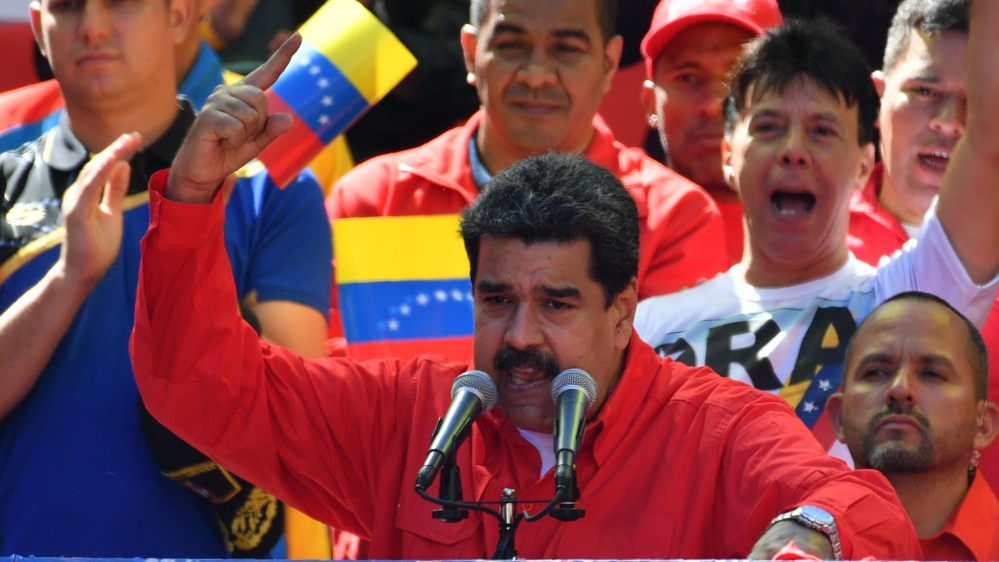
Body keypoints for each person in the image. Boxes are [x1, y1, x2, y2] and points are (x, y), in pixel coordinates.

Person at [127, 34, 921, 559]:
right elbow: (196, 388)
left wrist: (810, 536)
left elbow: (859, 506)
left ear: (623, 311)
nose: (520, 337)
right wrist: (194, 196)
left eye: (558, 305)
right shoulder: (407, 415)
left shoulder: (714, 427)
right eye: (496, 300)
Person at [0, 0, 331, 556]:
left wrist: (188, 212)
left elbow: (297, 408)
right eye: (67, 6)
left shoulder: (267, 187)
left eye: (122, 4)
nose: (94, 26)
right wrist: (70, 277)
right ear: (37, 29)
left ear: (180, 16)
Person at [634, 2, 999, 458]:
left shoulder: (906, 298)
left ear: (866, 162)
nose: (794, 151)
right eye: (768, 127)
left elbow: (988, 141)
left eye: (822, 131)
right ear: (729, 154)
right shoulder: (647, 331)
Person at [327, 0, 728, 302]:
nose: (536, 76)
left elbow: (665, 394)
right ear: (470, 51)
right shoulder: (372, 199)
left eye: (566, 49)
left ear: (609, 62)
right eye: (512, 45)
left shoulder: (676, 217)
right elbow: (335, 373)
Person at [826, 291, 999, 561]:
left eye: (932, 373)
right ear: (839, 418)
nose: (899, 389)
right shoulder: (782, 544)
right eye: (876, 372)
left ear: (983, 426)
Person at [641, 0, 783, 265]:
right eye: (687, 77)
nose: (712, 105)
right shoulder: (602, 223)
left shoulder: (840, 232)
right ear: (650, 103)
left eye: (738, 77)